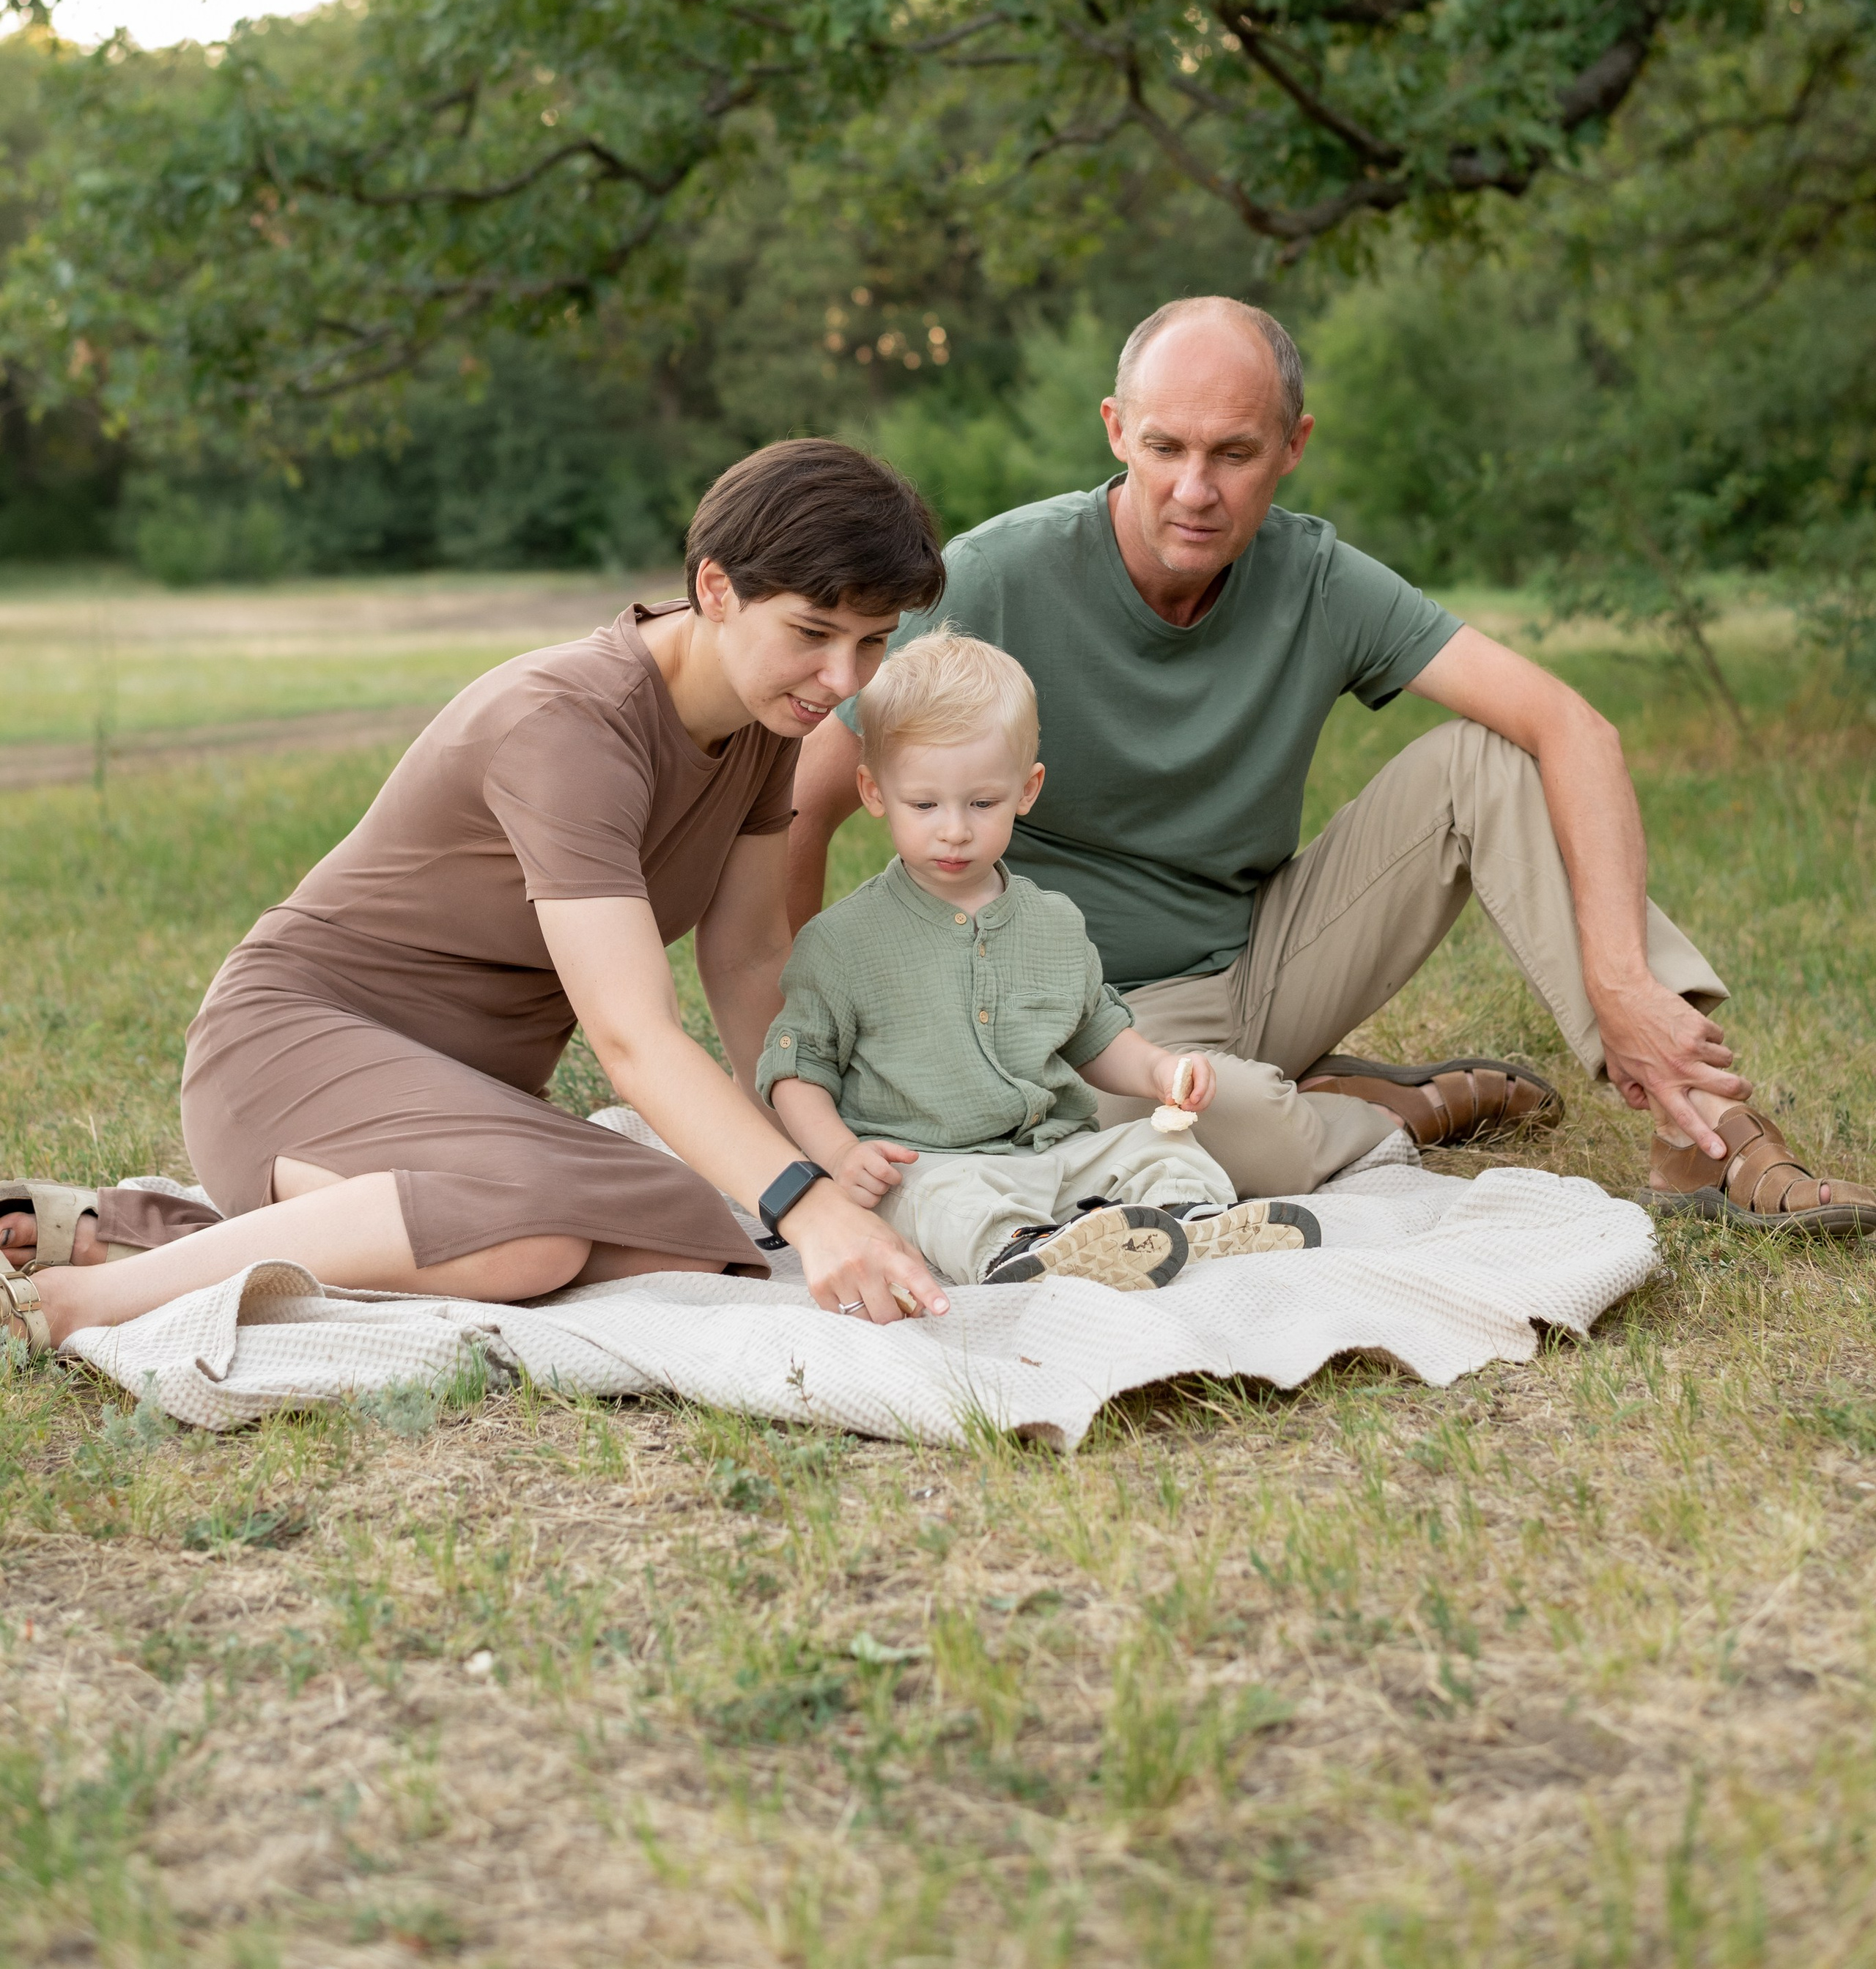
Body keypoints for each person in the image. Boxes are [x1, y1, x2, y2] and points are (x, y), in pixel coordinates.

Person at [788, 298, 1876, 1235]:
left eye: (1235, 451)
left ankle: (1708, 1131)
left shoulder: (1315, 577)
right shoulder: (995, 577)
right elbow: (809, 807)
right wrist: (823, 1031)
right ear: (1117, 430)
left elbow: (1573, 725)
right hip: (1078, 1023)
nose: (1195, 489)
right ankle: (1400, 1107)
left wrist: (1622, 980)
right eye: (1165, 447)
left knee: (1487, 757)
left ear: (1293, 443)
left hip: (1265, 958)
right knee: (1148, 1142)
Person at [1, 441, 959, 1360]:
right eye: (813, 633)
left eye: (873, 642)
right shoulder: (571, 725)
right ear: (717, 587)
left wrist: (814, 1150)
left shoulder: (764, 718)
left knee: (698, 1237)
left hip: (469, 1102)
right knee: (528, 1244)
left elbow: (748, 956)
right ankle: (82, 1301)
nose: (842, 680)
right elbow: (632, 1037)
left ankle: (141, 1230)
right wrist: (806, 1202)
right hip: (293, 1045)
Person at [757, 628, 1323, 1290]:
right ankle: (1020, 1248)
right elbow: (797, 1068)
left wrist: (1160, 1070)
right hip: (928, 1161)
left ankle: (1190, 1219)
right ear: (873, 790)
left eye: (982, 802)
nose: (954, 828)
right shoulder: (843, 940)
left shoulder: (1053, 921)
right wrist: (840, 1153)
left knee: (1156, 1143)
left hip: (1056, 1152)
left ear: (1027, 790)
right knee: (936, 1200)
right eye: (924, 803)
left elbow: (1096, 1035)